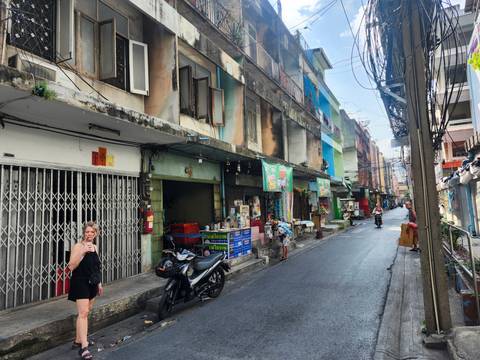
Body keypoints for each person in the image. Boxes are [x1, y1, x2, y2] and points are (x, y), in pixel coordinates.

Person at [68, 222, 103, 360]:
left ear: (95, 234)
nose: (89, 234)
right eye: (87, 232)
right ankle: (84, 347)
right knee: (83, 313)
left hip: (92, 283)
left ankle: (78, 341)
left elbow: (96, 267)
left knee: (86, 312)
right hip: (80, 282)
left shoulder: (95, 247)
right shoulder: (78, 246)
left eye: (92, 232)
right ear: (84, 233)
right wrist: (82, 252)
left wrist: (99, 283)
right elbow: (71, 266)